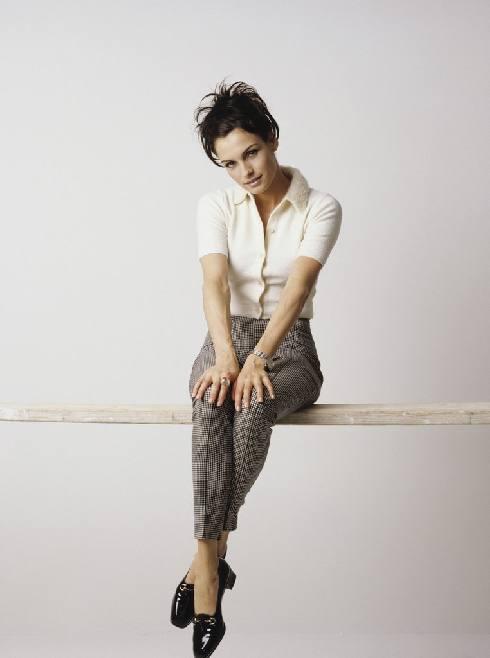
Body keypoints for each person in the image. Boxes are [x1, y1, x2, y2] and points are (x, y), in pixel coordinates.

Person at [170, 79, 342, 657]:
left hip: (289, 348)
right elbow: (214, 282)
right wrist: (226, 357)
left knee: (252, 407)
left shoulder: (321, 206)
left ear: (272, 138)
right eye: (229, 163)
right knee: (208, 404)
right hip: (225, 337)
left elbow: (298, 288)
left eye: (251, 153)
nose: (244, 171)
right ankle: (212, 569)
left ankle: (204, 564)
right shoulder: (215, 206)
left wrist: (259, 359)